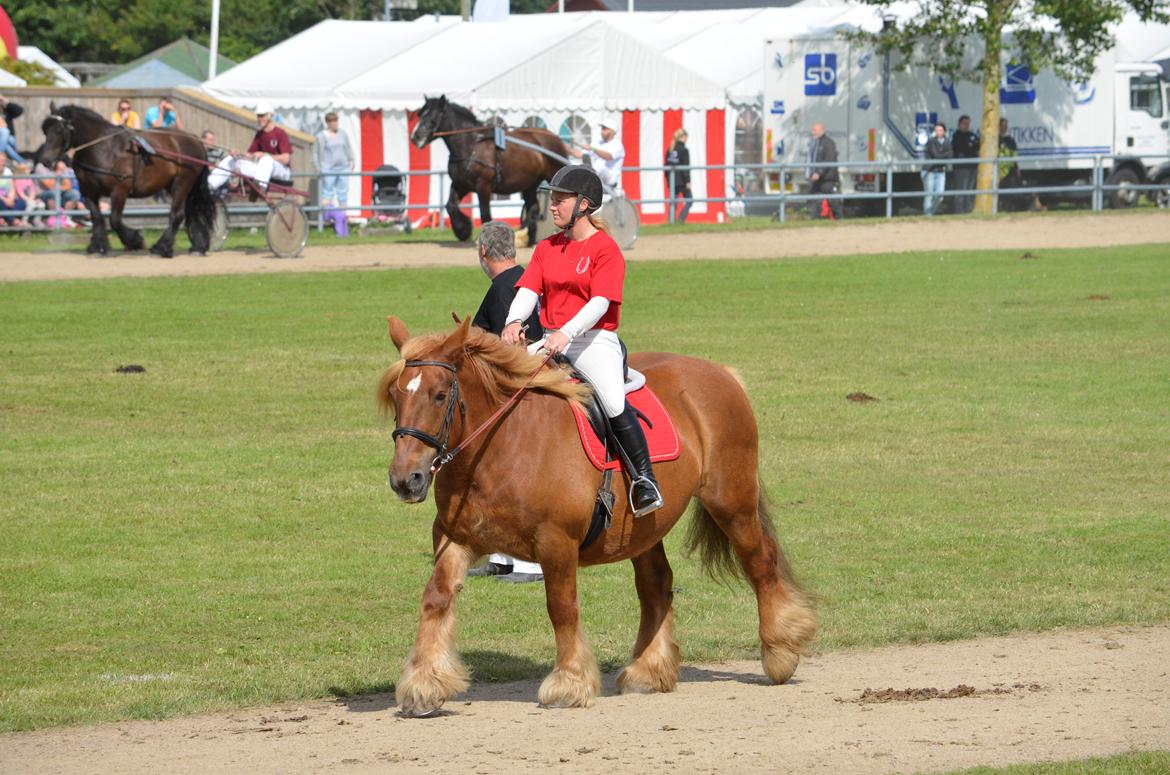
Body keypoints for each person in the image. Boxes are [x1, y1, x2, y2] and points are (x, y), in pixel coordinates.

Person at [501, 166, 663, 518]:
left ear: (584, 205)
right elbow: (529, 290)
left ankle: (644, 481)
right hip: (551, 340)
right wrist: (513, 321)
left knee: (612, 401)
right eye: (553, 199)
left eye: (560, 200)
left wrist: (566, 333)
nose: (553, 206)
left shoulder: (606, 250)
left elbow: (600, 303)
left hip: (593, 342)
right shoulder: (546, 247)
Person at [465, 220, 547, 583]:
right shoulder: (524, 279)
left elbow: (508, 350)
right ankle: (503, 557)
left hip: (517, 395)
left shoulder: (502, 290)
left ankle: (529, 561)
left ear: (484, 252)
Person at [207, 103, 292, 194]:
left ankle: (260, 189)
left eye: (262, 115)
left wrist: (264, 155)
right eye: (258, 116)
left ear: (270, 116)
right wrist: (238, 154)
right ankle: (209, 185)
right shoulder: (260, 135)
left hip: (282, 171)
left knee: (266, 160)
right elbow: (250, 155)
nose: (259, 118)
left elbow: (286, 159)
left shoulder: (280, 133)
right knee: (231, 159)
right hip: (262, 171)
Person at [571, 115, 624, 194]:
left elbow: (608, 156)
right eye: (602, 128)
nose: (602, 131)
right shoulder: (597, 142)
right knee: (572, 162)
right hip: (598, 174)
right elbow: (581, 155)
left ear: (612, 131)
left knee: (599, 165)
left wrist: (592, 149)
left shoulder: (617, 145)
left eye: (605, 129)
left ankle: (587, 176)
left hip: (610, 178)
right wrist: (565, 148)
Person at [313, 112, 354, 213]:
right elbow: (315, 153)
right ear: (327, 122)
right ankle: (325, 218)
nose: (335, 123)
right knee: (327, 193)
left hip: (343, 167)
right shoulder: (321, 136)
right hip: (328, 169)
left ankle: (343, 217)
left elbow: (348, 147)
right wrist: (317, 167)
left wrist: (352, 159)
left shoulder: (343, 133)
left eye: (336, 120)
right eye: (332, 121)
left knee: (343, 193)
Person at [807, 122, 840, 219]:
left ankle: (840, 220)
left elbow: (829, 159)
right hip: (818, 179)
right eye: (813, 130)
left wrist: (818, 172)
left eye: (815, 130)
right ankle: (814, 220)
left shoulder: (829, 143)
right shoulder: (815, 143)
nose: (813, 132)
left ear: (822, 130)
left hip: (828, 179)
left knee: (834, 202)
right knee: (813, 201)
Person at [950, 114, 979, 214]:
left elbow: (977, 145)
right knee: (961, 190)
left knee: (970, 190)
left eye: (968, 124)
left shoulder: (972, 135)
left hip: (972, 167)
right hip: (961, 168)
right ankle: (959, 212)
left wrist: (972, 146)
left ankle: (968, 211)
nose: (966, 126)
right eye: (964, 124)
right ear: (959, 124)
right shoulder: (956, 136)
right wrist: (970, 146)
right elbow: (961, 149)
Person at [922, 121, 952, 217]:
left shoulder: (947, 141)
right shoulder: (931, 141)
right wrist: (945, 155)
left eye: (940, 130)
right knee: (929, 195)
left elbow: (951, 154)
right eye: (937, 130)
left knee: (940, 196)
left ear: (944, 131)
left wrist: (945, 156)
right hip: (929, 171)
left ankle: (930, 213)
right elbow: (936, 156)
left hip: (940, 171)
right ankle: (928, 215)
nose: (938, 132)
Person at [664, 127, 692, 224]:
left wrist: (668, 178)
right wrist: (688, 181)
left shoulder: (670, 148)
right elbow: (685, 167)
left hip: (672, 179)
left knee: (674, 201)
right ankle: (681, 220)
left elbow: (666, 165)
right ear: (683, 137)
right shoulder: (684, 150)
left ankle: (671, 221)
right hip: (682, 180)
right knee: (690, 200)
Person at [0, 94, 25, 164]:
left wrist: (5, 101)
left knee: (6, 135)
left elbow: (20, 110)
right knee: (5, 132)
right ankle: (23, 163)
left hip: (10, 139)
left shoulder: (6, 110)